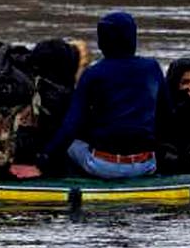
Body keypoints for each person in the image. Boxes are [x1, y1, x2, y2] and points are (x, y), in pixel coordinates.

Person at [43, 12, 168, 179]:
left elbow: (70, 127)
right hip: (146, 164)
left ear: (102, 42)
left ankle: (71, 183)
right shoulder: (152, 68)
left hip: (104, 166)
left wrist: (42, 160)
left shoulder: (93, 74)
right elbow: (166, 114)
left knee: (70, 145)